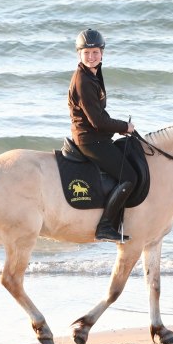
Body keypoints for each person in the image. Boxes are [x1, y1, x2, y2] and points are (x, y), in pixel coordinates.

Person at [67, 28, 136, 243]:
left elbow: (98, 113)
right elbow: (97, 121)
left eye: (95, 52)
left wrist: (118, 127)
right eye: (86, 53)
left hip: (96, 136)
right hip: (90, 140)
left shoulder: (93, 74)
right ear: (79, 54)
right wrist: (124, 126)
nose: (91, 57)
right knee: (130, 176)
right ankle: (105, 226)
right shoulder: (84, 80)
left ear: (102, 53)